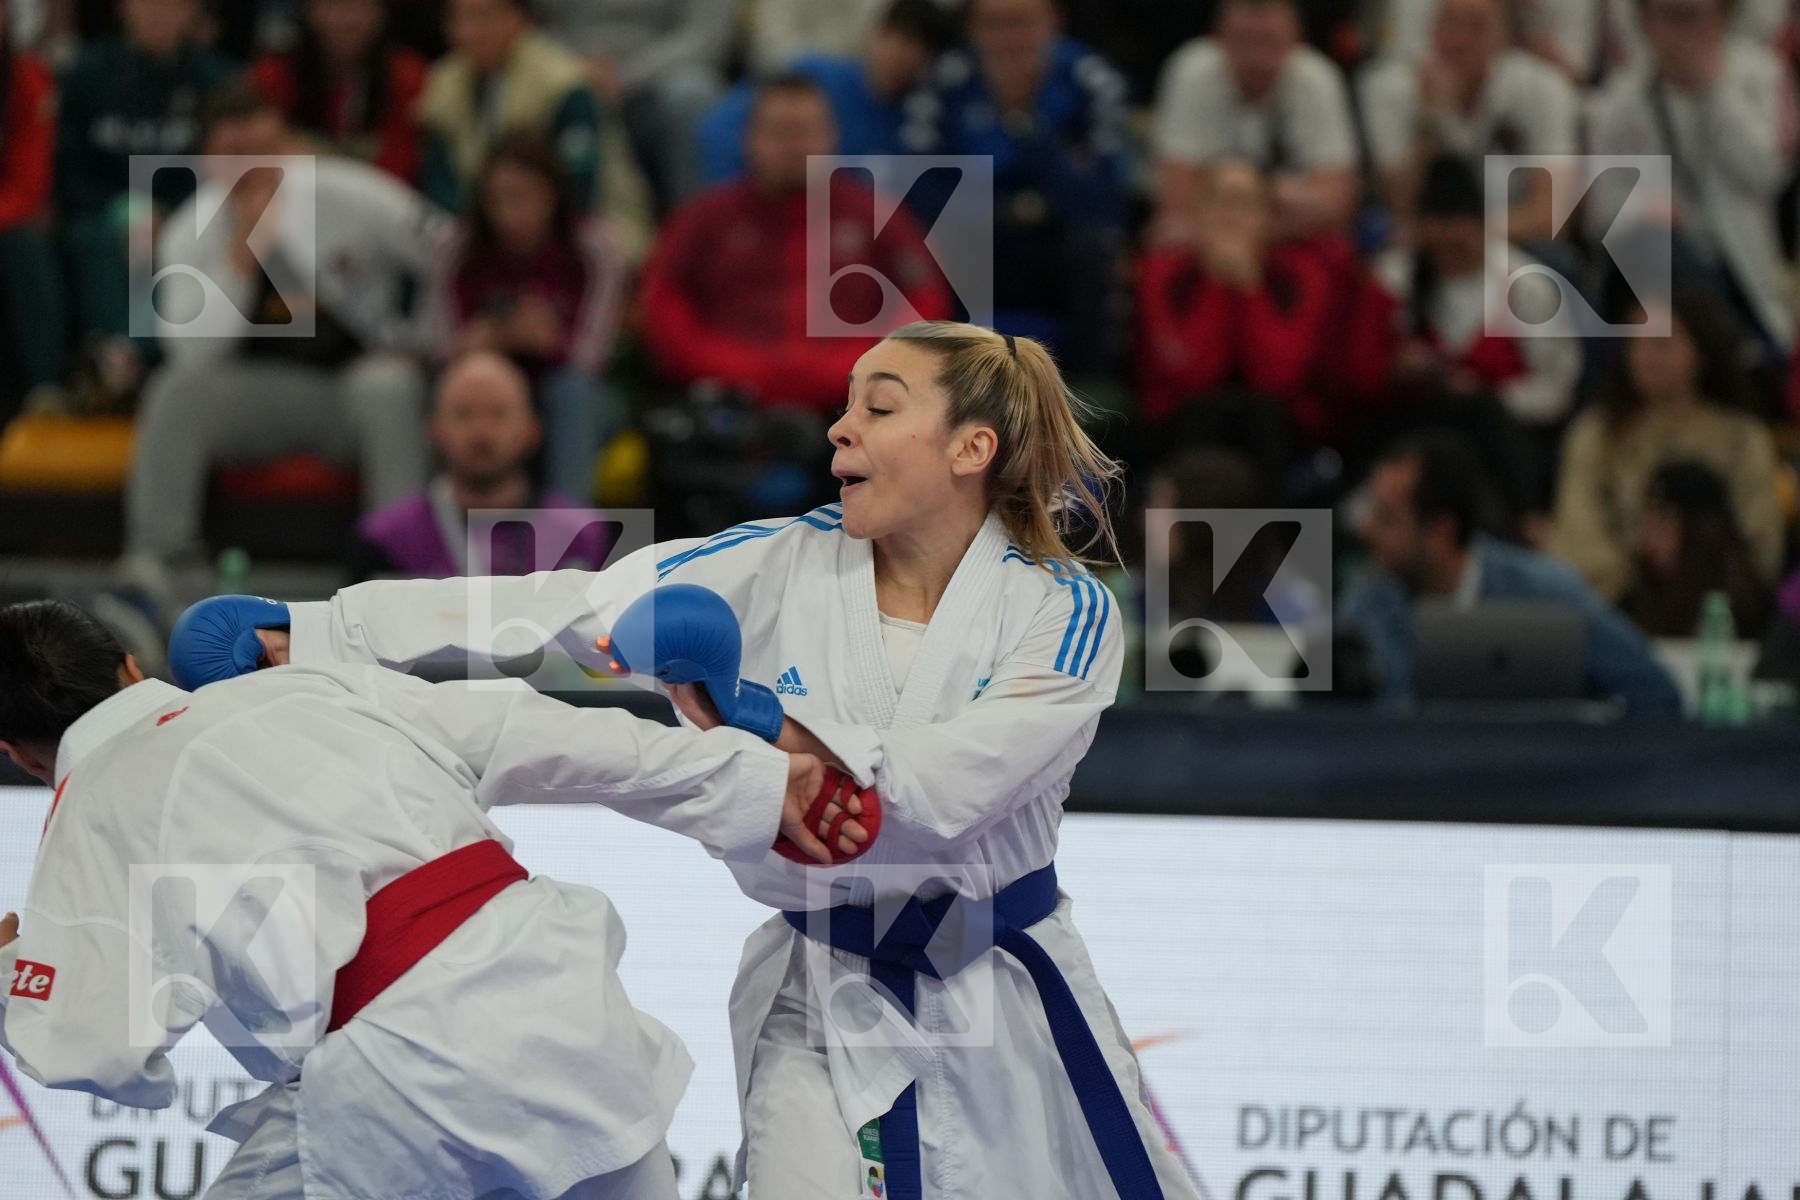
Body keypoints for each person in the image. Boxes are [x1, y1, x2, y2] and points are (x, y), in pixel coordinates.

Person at [186, 321, 1203, 1200]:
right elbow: (566, 607)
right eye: (846, 404)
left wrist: (761, 717)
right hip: (825, 988)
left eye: (880, 408)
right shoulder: (783, 559)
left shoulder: (1062, 614)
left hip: (1007, 996)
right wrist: (320, 630)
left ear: (970, 447)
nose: (841, 427)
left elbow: (945, 792)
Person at [0, 598, 862, 1199]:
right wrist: (755, 780)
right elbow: (544, 735)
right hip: (556, 993)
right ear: (129, 666)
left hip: (402, 1074)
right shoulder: (310, 686)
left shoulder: (90, 812)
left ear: (20, 754)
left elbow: (93, 1048)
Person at [120, 86, 437, 600]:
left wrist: (424, 337)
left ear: (286, 145)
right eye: (233, 156)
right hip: (261, 399)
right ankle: (160, 565)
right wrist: (243, 253)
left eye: (262, 150)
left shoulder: (347, 192)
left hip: (352, 389)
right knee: (175, 391)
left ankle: (395, 573)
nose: (251, 168)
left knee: (392, 387)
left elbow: (448, 247)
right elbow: (192, 354)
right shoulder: (189, 229)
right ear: (208, 160)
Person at [639, 74, 950, 413]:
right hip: (727, 405)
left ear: (832, 136)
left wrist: (860, 365)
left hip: (856, 402)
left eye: (805, 131)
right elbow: (662, 301)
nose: (794, 146)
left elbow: (925, 301)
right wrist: (732, 366)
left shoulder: (875, 215)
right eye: (780, 132)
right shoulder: (704, 219)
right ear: (750, 138)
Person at [1343, 433, 1684, 714]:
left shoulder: (1546, 594)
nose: (1367, 529)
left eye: (1387, 518)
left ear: (1441, 532)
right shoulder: (1369, 599)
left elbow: (1654, 692)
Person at [900, 0, 1130, 371]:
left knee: (1093, 249)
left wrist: (1026, 123)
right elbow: (922, 193)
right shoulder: (944, 81)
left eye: (1022, 24)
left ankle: (1096, 391)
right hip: (977, 237)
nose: (1009, 41)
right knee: (942, 245)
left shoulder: (1091, 79)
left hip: (1060, 236)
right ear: (971, 29)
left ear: (1054, 22)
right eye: (994, 25)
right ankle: (958, 384)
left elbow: (1102, 193)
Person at [1136, 156, 1389, 484]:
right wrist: (1217, 281)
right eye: (1219, 202)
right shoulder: (1163, 273)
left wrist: (1248, 284)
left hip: (1276, 424)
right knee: (1205, 414)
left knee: (1262, 417)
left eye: (1244, 204)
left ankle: (1263, 535)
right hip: (1184, 419)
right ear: (1198, 213)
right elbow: (1190, 375)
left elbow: (1279, 377)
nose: (1230, 217)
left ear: (1269, 219)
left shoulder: (1303, 276)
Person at [1586, 0, 1797, 366]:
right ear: (1644, 22)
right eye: (1665, 16)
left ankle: (1740, 351)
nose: (1677, 33)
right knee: (1652, 244)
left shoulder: (1760, 74)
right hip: (1659, 265)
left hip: (1740, 265)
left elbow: (1767, 174)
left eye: (1690, 17)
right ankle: (1728, 353)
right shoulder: (1620, 100)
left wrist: (1714, 92)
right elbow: (1599, 214)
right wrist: (1644, 210)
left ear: (1722, 17)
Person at [422, 131, 629, 501]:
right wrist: (481, 344)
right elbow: (437, 346)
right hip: (481, 386)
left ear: (552, 195)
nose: (508, 214)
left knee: (570, 394)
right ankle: (437, 536)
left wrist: (547, 344)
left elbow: (591, 358)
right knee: (458, 398)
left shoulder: (594, 247)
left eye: (521, 198)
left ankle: (570, 543)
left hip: (569, 390)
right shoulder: (456, 246)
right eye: (496, 200)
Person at [1547, 291, 1784, 603]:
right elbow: (1576, 532)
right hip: (1618, 605)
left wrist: (1697, 556)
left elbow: (1762, 542)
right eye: (1636, 344)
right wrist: (1639, 569)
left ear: (1701, 352)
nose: (1645, 357)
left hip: (1722, 605)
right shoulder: (1596, 433)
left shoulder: (1742, 437)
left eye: (1661, 345)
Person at [55, 0, 235, 400]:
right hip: (104, 216)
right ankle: (120, 359)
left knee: (185, 246)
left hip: (190, 217)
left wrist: (172, 216)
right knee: (95, 240)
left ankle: (127, 363)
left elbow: (225, 171)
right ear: (124, 9)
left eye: (174, 6)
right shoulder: (87, 73)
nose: (160, 14)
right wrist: (125, 211)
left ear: (195, 13)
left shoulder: (218, 78)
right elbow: (70, 169)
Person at [348, 352, 616, 582]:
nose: (481, 431)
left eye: (499, 414)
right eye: (463, 414)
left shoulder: (581, 536)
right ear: (434, 429)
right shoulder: (388, 540)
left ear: (532, 430)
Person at [1358, 0, 1579, 245]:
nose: (1458, 40)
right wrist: (1430, 123)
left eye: (1476, 27)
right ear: (1429, 29)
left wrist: (1468, 236)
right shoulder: (1390, 89)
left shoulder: (1543, 88)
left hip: (1513, 245)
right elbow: (1400, 206)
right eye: (1447, 23)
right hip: (1429, 253)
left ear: (1504, 37)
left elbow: (1552, 217)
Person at [1152, 0, 1359, 241]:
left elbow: (1338, 202)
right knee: (1168, 237)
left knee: (1336, 247)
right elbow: (1176, 200)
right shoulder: (1192, 71)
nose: (1256, 51)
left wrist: (1236, 210)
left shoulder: (1317, 78)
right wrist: (1280, 197)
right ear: (1218, 36)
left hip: (1288, 240)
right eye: (1244, 38)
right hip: (1206, 243)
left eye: (1267, 39)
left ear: (1296, 37)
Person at [698, 0, 959, 186]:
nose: (905, 55)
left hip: (846, 240)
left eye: (921, 49)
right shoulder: (813, 74)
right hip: (767, 213)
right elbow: (719, 131)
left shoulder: (919, 121)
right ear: (876, 34)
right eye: (900, 39)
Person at [532, 0, 735, 209]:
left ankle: (694, 228)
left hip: (659, 77)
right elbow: (534, 21)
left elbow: (706, 36)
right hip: (568, 66)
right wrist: (573, 67)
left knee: (693, 95)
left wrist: (624, 76)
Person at [420, 0, 603, 213]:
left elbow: (580, 182)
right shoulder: (443, 81)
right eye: (457, 18)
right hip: (470, 228)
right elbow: (438, 180)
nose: (466, 31)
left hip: (562, 226)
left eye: (482, 16)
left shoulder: (562, 83)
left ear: (519, 17)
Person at [248, 0, 431, 184]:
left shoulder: (410, 77)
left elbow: (403, 163)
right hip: (293, 198)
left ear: (382, 12)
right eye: (333, 5)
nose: (346, 20)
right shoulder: (271, 77)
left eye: (361, 6)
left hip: (381, 201)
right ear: (309, 11)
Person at [1620, 459, 1776, 638]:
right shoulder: (1633, 603)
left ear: (1699, 530)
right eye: (1645, 520)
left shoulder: (1749, 611)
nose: (1647, 537)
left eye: (1662, 520)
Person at [0, 0, 62, 421]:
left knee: (21, 244)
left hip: (9, 223)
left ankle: (48, 393)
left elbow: (29, 184)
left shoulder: (29, 77)